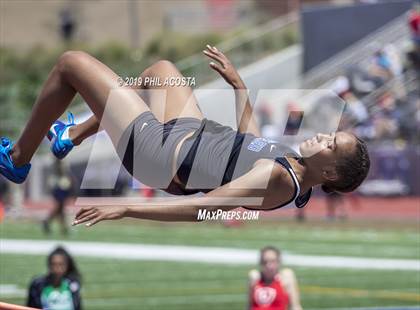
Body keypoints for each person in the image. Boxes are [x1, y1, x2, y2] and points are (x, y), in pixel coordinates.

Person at [0, 45, 370, 225]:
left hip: (157, 154)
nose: (323, 136)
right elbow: (251, 142)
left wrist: (127, 207)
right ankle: (73, 134)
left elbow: (204, 208)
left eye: (330, 144)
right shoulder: (292, 165)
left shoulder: (278, 179)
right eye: (329, 135)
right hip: (190, 129)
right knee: (161, 71)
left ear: (332, 174)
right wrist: (238, 85)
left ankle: (18, 159)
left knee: (71, 64)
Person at [248, 246, 302, 310]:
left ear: (279, 261)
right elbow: (249, 306)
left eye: (273, 261)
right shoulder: (255, 278)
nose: (269, 265)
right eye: (265, 262)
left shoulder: (285, 278)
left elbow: (295, 306)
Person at [42, 160, 74, 235]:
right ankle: (63, 228)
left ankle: (49, 223)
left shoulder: (61, 164)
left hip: (62, 185)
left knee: (61, 209)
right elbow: (59, 171)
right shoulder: (57, 163)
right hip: (59, 185)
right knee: (60, 208)